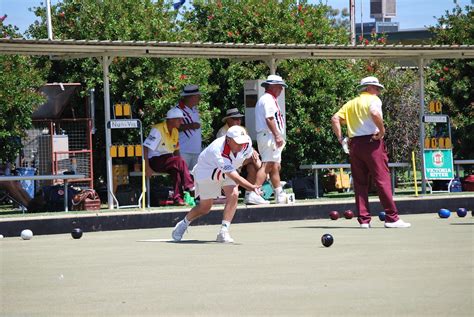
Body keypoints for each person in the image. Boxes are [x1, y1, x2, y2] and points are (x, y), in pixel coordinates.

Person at [331, 76, 411, 228]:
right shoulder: (373, 100)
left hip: (355, 144)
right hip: (372, 143)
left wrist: (342, 140)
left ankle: (364, 221)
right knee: (382, 180)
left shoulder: (351, 103)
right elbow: (374, 113)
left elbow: (335, 118)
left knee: (360, 183)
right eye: (377, 88)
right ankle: (392, 218)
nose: (379, 92)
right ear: (369, 88)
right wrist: (382, 130)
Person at [172, 126, 262, 243]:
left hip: (227, 172)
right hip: (207, 173)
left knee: (234, 193)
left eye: (243, 142)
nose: (241, 146)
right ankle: (183, 224)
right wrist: (251, 187)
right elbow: (235, 176)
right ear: (228, 140)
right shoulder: (217, 150)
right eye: (238, 143)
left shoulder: (246, 143)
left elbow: (251, 156)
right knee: (205, 208)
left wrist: (261, 167)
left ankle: (223, 232)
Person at [217, 108, 268, 205]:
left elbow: (247, 146)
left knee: (253, 165)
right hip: (227, 162)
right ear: (228, 120)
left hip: (240, 158)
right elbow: (224, 153)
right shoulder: (222, 132)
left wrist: (253, 151)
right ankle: (266, 176)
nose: (238, 121)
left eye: (239, 119)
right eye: (235, 119)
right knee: (254, 160)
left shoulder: (242, 130)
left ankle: (250, 195)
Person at [143, 108, 194, 206]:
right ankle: (190, 186)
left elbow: (176, 150)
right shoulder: (158, 129)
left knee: (177, 170)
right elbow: (145, 147)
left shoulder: (175, 131)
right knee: (178, 162)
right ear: (170, 120)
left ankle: (178, 199)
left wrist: (181, 165)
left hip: (169, 160)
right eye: (179, 119)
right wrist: (147, 167)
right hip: (155, 160)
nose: (181, 121)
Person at [254, 75, 288, 204]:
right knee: (268, 164)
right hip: (268, 135)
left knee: (274, 165)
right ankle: (254, 191)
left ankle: (279, 193)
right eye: (279, 87)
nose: (281, 90)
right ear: (272, 86)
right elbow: (270, 118)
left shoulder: (268, 99)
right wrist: (277, 135)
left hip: (268, 135)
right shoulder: (268, 99)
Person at [175, 84, 202, 170]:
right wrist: (190, 126)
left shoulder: (195, 109)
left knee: (196, 179)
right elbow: (172, 127)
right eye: (198, 96)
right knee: (182, 178)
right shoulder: (177, 110)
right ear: (191, 97)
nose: (199, 98)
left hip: (196, 151)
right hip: (183, 151)